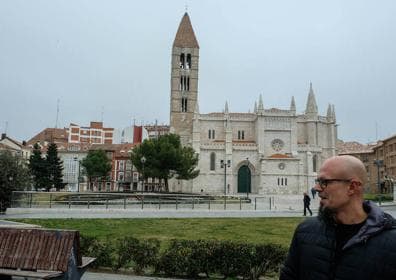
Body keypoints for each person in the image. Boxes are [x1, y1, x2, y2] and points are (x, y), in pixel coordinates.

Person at [280, 155, 396, 280]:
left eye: (324, 182)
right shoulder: (305, 231)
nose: (316, 188)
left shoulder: (391, 243)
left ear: (352, 187)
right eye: (317, 182)